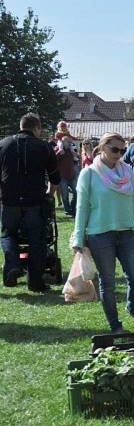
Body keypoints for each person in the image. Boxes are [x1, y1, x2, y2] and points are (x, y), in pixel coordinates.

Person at [71, 132, 134, 333]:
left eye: (123, 150)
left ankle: (132, 308)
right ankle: (115, 325)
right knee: (107, 282)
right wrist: (77, 237)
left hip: (126, 233)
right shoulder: (89, 174)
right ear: (102, 148)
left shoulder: (127, 171)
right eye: (114, 149)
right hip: (99, 235)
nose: (119, 154)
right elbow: (81, 208)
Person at [0, 112, 60, 291]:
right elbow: (55, 178)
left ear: (21, 126)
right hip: (35, 200)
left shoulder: (3, 144)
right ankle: (35, 282)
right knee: (37, 240)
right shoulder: (44, 147)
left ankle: (13, 265)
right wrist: (49, 194)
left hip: (9, 200)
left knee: (8, 234)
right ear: (36, 127)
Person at [55, 122, 80, 217]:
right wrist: (58, 152)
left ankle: (72, 208)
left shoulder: (71, 151)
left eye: (69, 142)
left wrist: (76, 156)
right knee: (64, 195)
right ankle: (67, 210)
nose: (69, 143)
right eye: (67, 142)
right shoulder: (58, 149)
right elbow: (54, 160)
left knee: (76, 192)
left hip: (72, 175)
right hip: (62, 176)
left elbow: (76, 161)